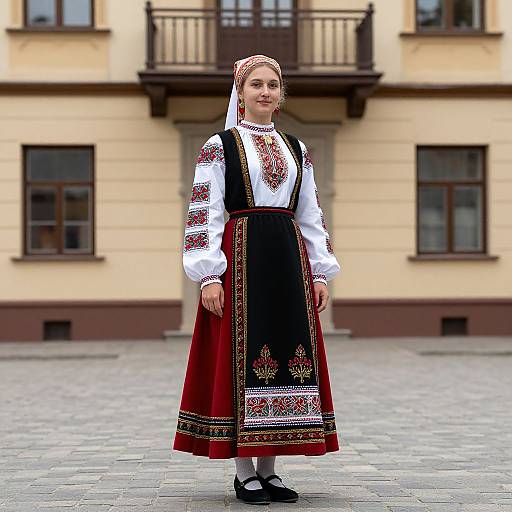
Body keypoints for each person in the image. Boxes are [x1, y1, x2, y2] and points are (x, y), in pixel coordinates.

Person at [173, 54, 341, 505]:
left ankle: (270, 469)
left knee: (287, 351)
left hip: (288, 259)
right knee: (243, 354)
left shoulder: (296, 148)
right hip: (242, 255)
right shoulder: (219, 145)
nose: (265, 92)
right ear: (241, 94)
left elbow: (310, 212)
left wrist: (320, 269)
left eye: (272, 85)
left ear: (280, 94)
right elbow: (204, 209)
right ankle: (244, 471)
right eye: (256, 85)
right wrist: (209, 274)